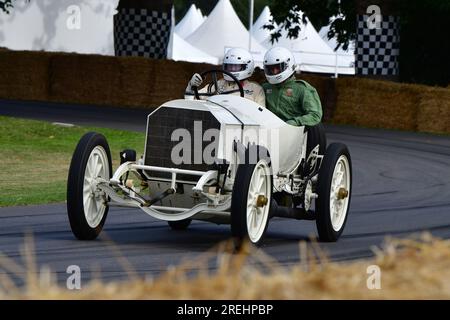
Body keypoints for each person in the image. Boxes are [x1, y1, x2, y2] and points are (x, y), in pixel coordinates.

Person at [262, 46, 322, 126]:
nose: (274, 71)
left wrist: (295, 122)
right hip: (267, 130)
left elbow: (315, 115)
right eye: (271, 68)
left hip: (293, 132)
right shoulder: (265, 87)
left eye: (278, 68)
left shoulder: (302, 89)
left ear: (288, 65)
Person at [185, 47, 266, 107]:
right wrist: (191, 86)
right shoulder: (217, 85)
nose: (231, 70)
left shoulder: (256, 89)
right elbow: (191, 101)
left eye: (235, 67)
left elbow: (261, 116)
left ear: (247, 66)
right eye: (229, 66)